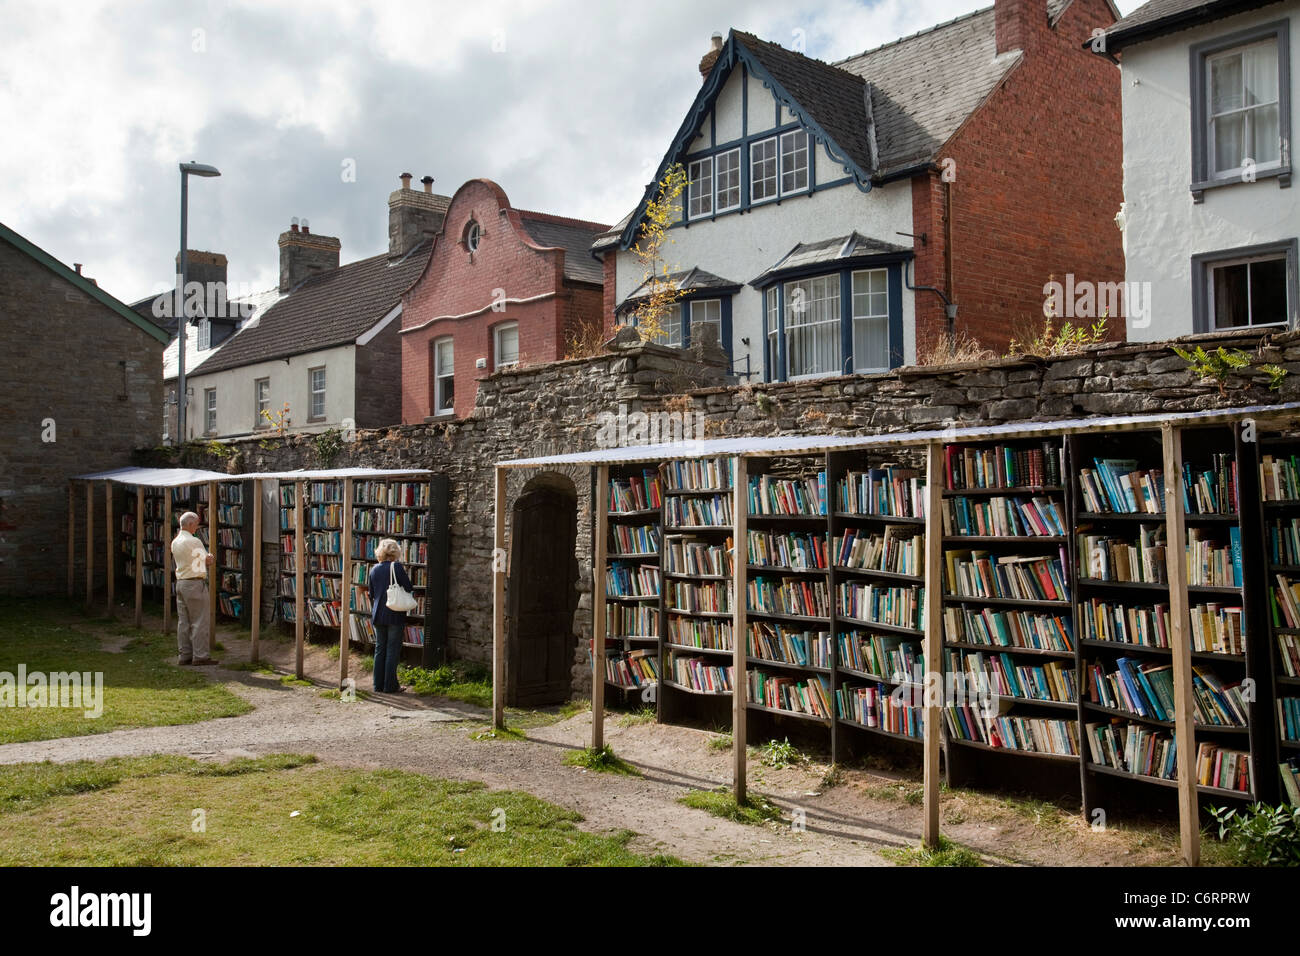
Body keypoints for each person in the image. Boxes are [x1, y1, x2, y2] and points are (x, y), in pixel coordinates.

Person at [171, 510, 217, 666]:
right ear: (190, 524)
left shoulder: (175, 541)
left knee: (183, 622)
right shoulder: (194, 541)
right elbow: (205, 561)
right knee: (199, 620)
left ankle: (184, 655)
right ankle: (201, 655)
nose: (197, 528)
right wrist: (209, 557)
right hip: (194, 583)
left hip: (181, 582)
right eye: (196, 525)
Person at [369, 538, 411, 694]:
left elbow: (371, 593)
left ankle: (377, 685)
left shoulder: (374, 569)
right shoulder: (396, 567)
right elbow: (408, 586)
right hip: (394, 612)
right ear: (395, 552)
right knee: (392, 649)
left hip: (378, 613)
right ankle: (390, 686)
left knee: (380, 648)